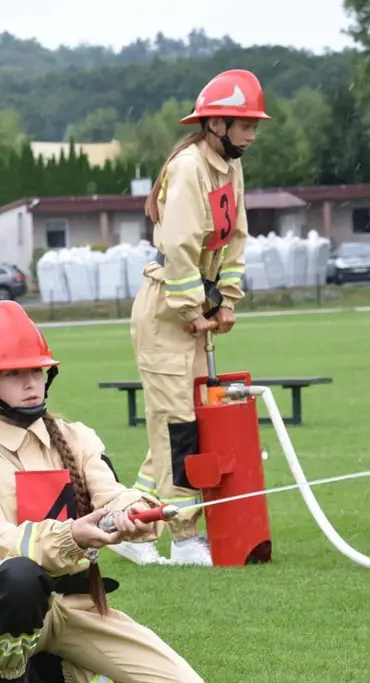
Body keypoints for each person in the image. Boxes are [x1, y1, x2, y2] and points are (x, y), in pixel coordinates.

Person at [0, 300, 213, 683]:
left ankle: (54, 670)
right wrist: (74, 536)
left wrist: (134, 512)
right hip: (6, 604)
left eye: (36, 371)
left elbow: (111, 493)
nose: (30, 383)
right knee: (19, 576)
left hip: (82, 605)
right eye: (13, 373)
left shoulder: (77, 437)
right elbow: (0, 548)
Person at [112, 69, 268, 568]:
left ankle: (132, 524)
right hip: (166, 311)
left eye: (254, 125)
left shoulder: (229, 167)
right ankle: (183, 537)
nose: (252, 134)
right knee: (177, 427)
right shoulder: (188, 169)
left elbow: (235, 238)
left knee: (185, 425)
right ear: (216, 124)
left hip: (197, 306)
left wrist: (227, 301)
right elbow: (178, 246)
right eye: (245, 124)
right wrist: (191, 309)